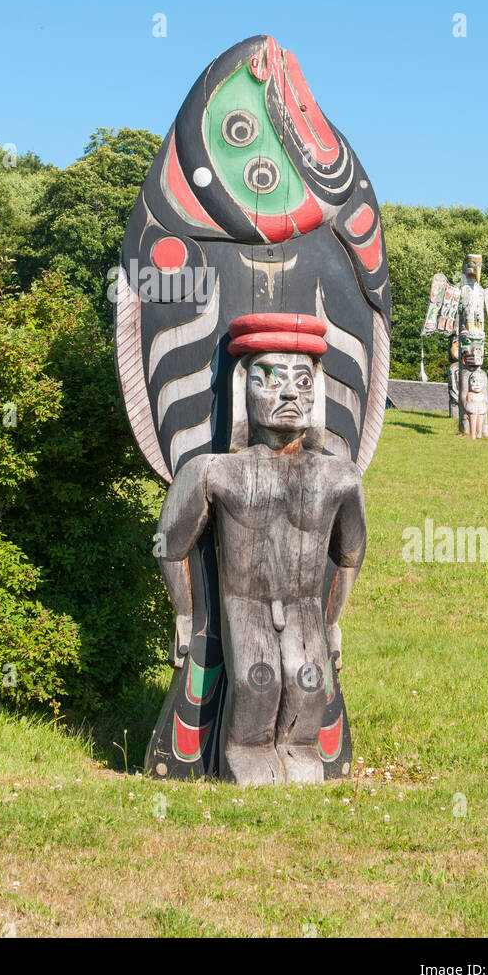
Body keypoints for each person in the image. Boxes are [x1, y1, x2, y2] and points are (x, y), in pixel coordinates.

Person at [156, 314, 366, 786]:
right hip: (243, 603)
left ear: (318, 395)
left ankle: (300, 748)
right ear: (241, 389)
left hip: (307, 604)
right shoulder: (214, 471)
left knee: (307, 679)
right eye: (267, 378)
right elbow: (170, 545)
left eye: (303, 381)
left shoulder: (340, 476)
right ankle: (244, 750)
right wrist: (186, 616)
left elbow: (350, 554)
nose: (288, 393)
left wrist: (332, 623)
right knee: (257, 678)